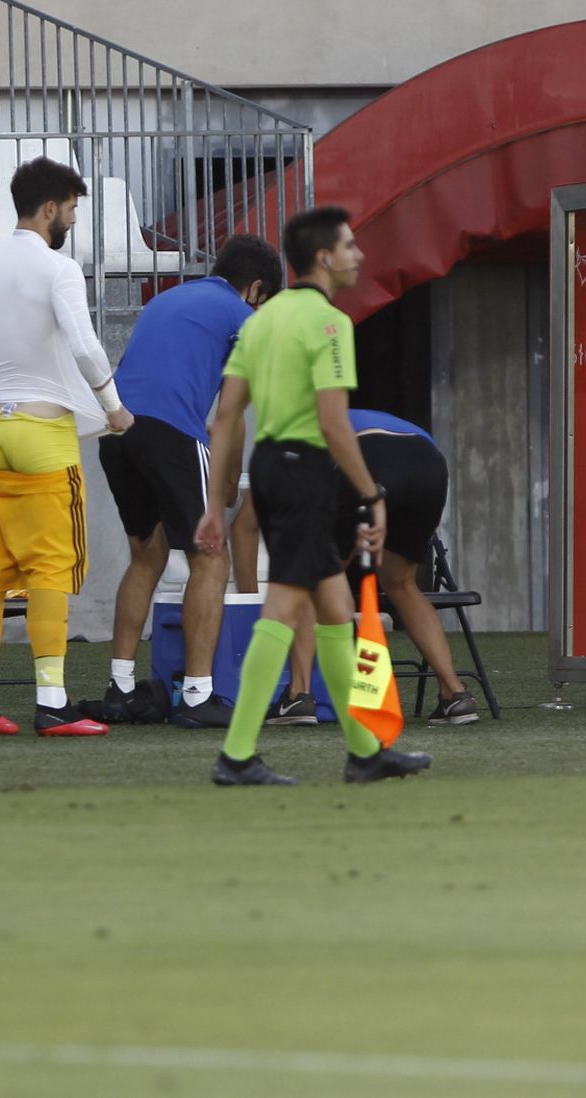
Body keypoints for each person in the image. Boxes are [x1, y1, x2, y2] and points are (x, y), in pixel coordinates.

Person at [194, 205, 433, 785]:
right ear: (323, 258)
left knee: (334, 610)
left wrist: (213, 506)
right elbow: (333, 422)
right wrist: (371, 492)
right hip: (307, 470)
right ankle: (236, 757)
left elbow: (224, 415)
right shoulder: (330, 325)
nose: (360, 255)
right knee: (284, 608)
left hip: (273, 467)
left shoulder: (261, 321)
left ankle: (363, 752)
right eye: (351, 246)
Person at [0, 156, 131, 738]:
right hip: (43, 434)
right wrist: (112, 406)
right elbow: (84, 344)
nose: (74, 219)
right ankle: (52, 701)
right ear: (50, 207)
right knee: (51, 569)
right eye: (73, 209)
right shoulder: (58, 269)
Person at [92, 234, 283, 728]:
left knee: (147, 554)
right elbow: (230, 415)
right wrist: (224, 491)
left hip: (116, 431)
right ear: (255, 289)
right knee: (210, 557)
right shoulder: (240, 317)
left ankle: (120, 688)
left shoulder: (171, 296)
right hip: (170, 432)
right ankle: (198, 696)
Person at [261, 408, 479, 727]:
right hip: (428, 464)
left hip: (367, 459)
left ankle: (298, 696)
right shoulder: (355, 415)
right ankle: (454, 694)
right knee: (402, 583)